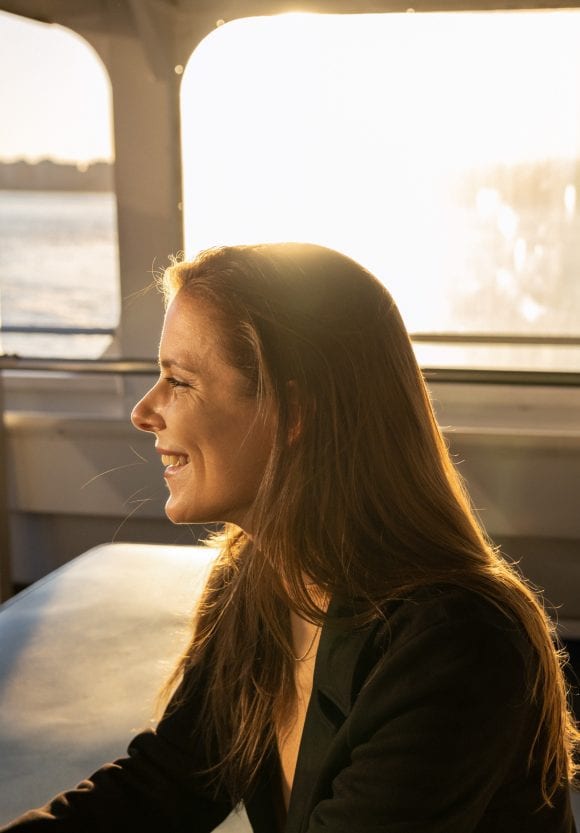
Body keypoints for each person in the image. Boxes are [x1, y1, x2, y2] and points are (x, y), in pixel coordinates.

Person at [2, 243, 578, 832]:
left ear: (293, 411)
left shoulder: (453, 642)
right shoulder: (257, 579)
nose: (145, 411)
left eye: (179, 380)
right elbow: (167, 784)